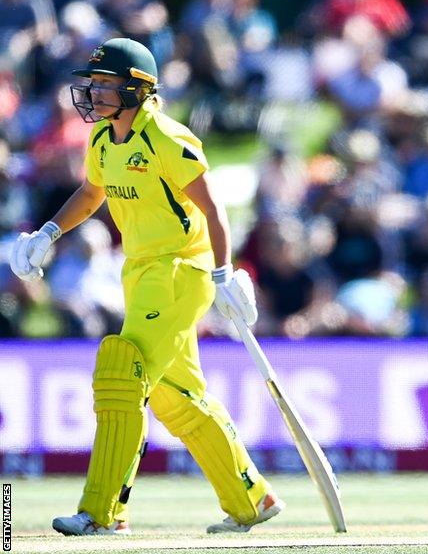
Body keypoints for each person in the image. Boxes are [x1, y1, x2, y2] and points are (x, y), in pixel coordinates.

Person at [9, 38, 283, 535]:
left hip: (181, 268)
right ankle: (251, 499)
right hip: (138, 271)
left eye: (105, 86)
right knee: (175, 397)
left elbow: (213, 207)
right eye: (91, 84)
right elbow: (93, 192)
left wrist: (222, 272)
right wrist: (49, 232)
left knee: (122, 372)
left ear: (137, 90)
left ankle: (103, 512)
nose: (92, 94)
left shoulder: (165, 136)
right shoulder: (100, 140)